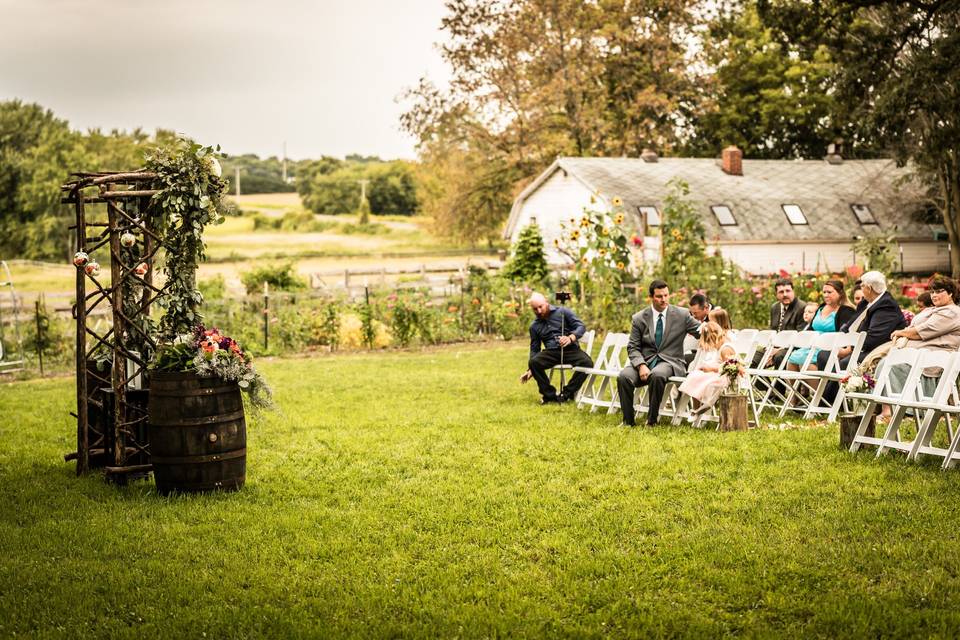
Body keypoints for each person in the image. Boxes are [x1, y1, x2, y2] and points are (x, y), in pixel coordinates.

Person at [617, 280, 700, 426]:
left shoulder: (682, 315)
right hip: (646, 361)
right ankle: (628, 422)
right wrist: (641, 365)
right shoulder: (639, 318)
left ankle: (652, 421)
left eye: (666, 295)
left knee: (657, 375)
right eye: (659, 296)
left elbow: (702, 331)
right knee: (623, 377)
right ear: (651, 297)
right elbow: (633, 347)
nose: (664, 299)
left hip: (670, 362)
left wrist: (720, 328)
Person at [817, 271, 907, 403]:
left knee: (845, 363)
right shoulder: (866, 302)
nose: (861, 288)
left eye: (862, 286)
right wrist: (844, 344)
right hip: (856, 345)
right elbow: (848, 326)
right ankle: (833, 401)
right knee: (824, 355)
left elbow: (874, 338)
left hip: (876, 350)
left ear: (869, 288)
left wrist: (850, 349)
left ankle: (827, 402)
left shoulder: (886, 305)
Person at [520, 292, 594, 404]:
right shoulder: (534, 326)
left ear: (546, 302)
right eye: (535, 309)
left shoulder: (563, 312)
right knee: (534, 362)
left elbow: (581, 326)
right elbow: (535, 349)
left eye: (541, 307)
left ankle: (567, 394)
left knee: (587, 363)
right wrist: (531, 370)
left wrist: (570, 338)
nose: (539, 311)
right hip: (551, 353)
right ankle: (550, 395)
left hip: (570, 349)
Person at [787, 280, 855, 372]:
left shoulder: (846, 311)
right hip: (812, 345)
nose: (826, 295)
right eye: (824, 292)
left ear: (840, 293)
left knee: (807, 366)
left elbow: (844, 334)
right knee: (792, 360)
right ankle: (793, 387)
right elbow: (811, 328)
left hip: (828, 347)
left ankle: (817, 387)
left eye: (829, 292)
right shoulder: (821, 307)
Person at [678, 321, 737, 417]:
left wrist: (710, 368)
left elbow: (731, 367)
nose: (712, 346)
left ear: (714, 338)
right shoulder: (720, 347)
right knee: (695, 376)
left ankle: (705, 406)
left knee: (703, 379)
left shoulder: (725, 349)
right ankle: (696, 408)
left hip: (726, 377)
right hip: (717, 373)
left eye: (710, 343)